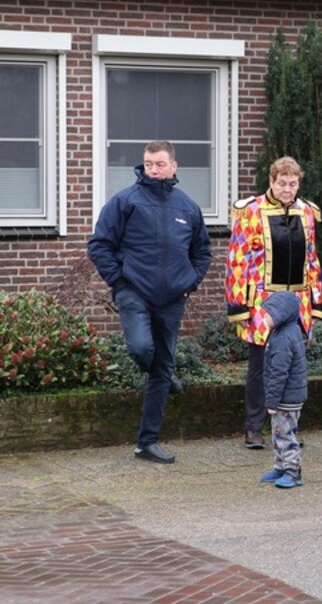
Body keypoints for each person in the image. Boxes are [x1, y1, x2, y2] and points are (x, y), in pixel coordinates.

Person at [88, 140, 212, 464]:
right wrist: (119, 281)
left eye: (159, 164)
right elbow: (99, 245)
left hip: (172, 299)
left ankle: (147, 443)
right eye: (148, 164)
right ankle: (164, 375)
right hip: (134, 291)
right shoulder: (125, 201)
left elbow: (202, 252)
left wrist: (190, 282)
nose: (153, 170)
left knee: (162, 366)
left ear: (174, 166)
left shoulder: (188, 207)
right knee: (141, 348)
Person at [226, 156, 322, 450]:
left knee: (292, 366)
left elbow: (312, 260)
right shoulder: (251, 211)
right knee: (260, 367)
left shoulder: (307, 211)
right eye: (282, 183)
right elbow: (237, 260)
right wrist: (239, 305)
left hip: (297, 301)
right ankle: (254, 427)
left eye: (292, 184)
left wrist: (316, 303)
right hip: (262, 302)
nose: (287, 189)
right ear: (271, 181)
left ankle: (287, 427)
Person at [257, 291, 308, 489]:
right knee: (278, 433)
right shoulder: (286, 331)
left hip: (286, 398)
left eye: (268, 314)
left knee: (286, 435)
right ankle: (280, 466)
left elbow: (279, 373)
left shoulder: (284, 338)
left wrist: (272, 401)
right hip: (286, 396)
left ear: (281, 315)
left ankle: (293, 471)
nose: (265, 318)